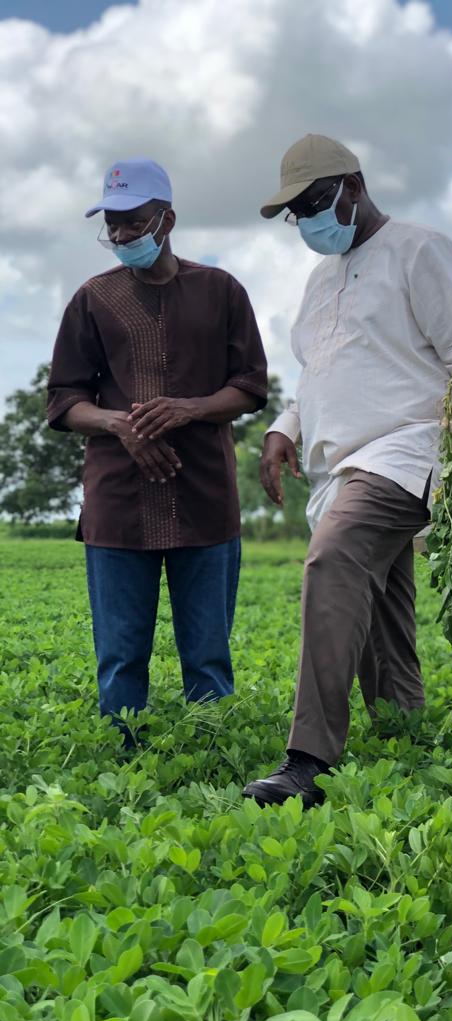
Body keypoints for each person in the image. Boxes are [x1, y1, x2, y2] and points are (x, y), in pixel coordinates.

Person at [242, 134, 452, 809]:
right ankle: (401, 728)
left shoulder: (421, 251)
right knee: (381, 608)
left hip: (406, 450)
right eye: (295, 212)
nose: (306, 221)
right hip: (340, 465)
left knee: (334, 559)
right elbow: (320, 371)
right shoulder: (320, 280)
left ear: (352, 186)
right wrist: (282, 429)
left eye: (314, 201)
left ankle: (307, 761)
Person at [47, 157, 268, 748]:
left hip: (204, 497)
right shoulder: (92, 299)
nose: (120, 236)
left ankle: (211, 751)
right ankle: (127, 761)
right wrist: (119, 423)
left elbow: (250, 386)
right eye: (111, 224)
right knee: (120, 656)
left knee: (208, 656)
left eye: (131, 222)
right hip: (118, 501)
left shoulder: (221, 291)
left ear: (166, 219)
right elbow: (64, 399)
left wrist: (190, 408)